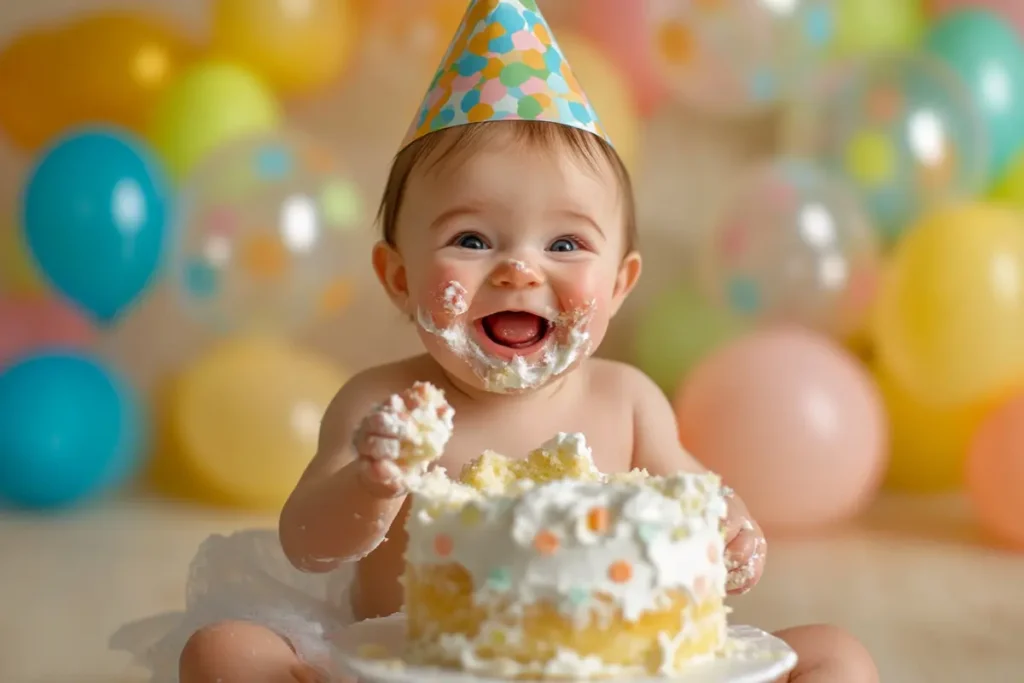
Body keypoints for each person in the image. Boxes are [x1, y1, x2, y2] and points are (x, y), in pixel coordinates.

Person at [111, 1, 879, 682]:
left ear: (620, 283)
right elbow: (305, 541)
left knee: (836, 655)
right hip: (407, 663)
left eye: (567, 245)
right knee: (222, 652)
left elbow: (694, 498)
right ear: (398, 276)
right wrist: (373, 484)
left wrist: (731, 529)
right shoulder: (383, 404)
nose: (518, 270)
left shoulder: (626, 400)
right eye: (472, 239)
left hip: (608, 666)